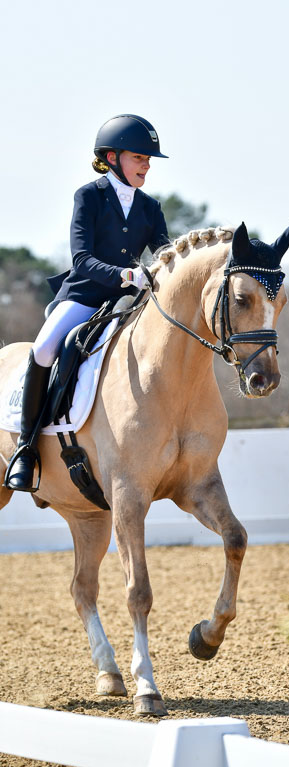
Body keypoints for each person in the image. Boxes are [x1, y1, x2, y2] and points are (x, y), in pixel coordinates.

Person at [5, 114, 170, 492]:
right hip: (85, 295)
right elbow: (82, 259)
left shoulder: (151, 207)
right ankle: (26, 449)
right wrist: (125, 274)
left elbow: (164, 254)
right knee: (45, 349)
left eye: (148, 160)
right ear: (112, 158)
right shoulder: (89, 196)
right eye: (139, 158)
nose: (146, 165)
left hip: (130, 301)